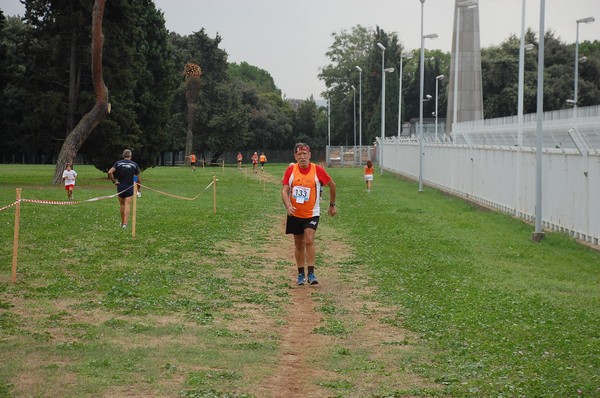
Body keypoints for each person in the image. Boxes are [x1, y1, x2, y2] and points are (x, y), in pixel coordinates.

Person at [281, 143, 337, 286]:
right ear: (295, 156)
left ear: (309, 155)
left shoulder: (317, 170)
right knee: (298, 244)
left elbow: (332, 185)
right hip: (295, 213)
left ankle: (311, 273)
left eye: (305, 154)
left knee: (309, 240)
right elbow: (285, 190)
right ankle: (300, 274)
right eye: (299, 154)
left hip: (312, 213)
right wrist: (288, 206)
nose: (302, 157)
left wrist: (332, 206)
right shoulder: (291, 170)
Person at [108, 149, 140, 228]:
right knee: (127, 204)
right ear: (130, 156)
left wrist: (114, 181)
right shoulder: (134, 164)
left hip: (121, 186)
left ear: (123, 156)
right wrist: (138, 188)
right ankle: (125, 224)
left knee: (122, 204)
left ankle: (122, 223)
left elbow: (110, 172)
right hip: (130, 187)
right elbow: (137, 177)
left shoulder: (118, 163)